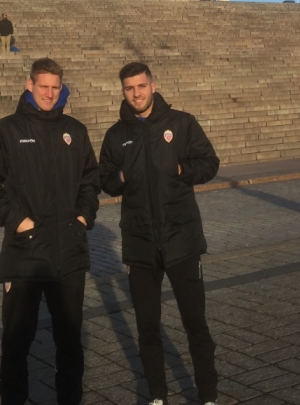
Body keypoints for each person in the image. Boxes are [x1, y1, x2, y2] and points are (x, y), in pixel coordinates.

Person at [0, 57, 100, 405]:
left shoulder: (75, 130)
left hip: (68, 254)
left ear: (62, 88)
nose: (48, 93)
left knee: (70, 344)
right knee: (16, 342)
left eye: (54, 87)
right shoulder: (8, 129)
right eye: (42, 86)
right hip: (25, 253)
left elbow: (91, 180)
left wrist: (83, 218)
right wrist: (18, 220)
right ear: (29, 85)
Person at [99, 62, 220, 405]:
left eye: (140, 86)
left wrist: (182, 168)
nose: (135, 93)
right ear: (122, 91)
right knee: (148, 328)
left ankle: (208, 395)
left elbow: (209, 163)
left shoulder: (181, 123)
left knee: (195, 323)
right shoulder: (116, 135)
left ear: (153, 85)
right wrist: (121, 177)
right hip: (140, 245)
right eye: (128, 88)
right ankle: (156, 396)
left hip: (181, 239)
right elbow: (104, 180)